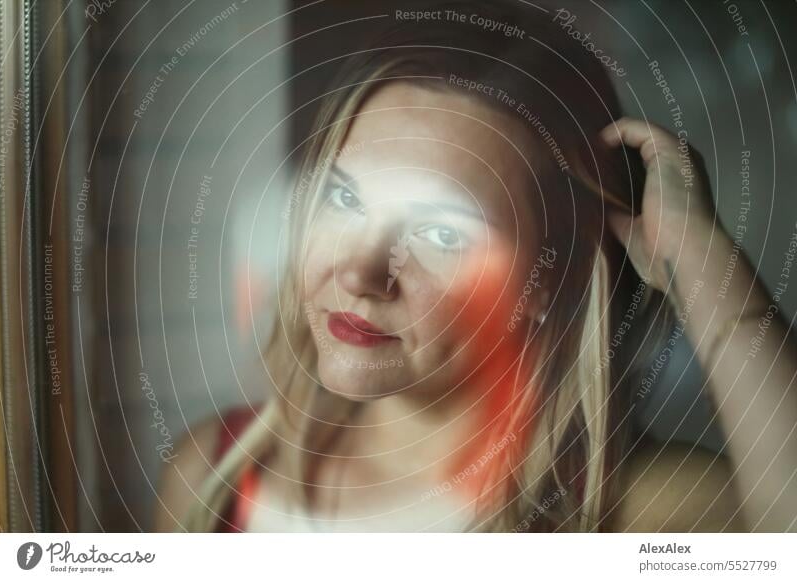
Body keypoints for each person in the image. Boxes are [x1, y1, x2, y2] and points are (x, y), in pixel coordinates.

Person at [154, 1, 797, 532]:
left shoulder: (645, 514)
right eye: (343, 197)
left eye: (441, 230)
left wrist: (703, 261)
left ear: (552, 275)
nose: (359, 271)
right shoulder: (210, 477)